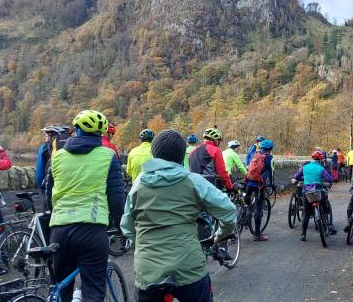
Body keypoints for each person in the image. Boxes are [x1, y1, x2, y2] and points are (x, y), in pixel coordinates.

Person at [121, 129, 236, 302]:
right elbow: (228, 211)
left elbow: (127, 227)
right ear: (182, 154)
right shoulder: (194, 181)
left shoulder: (139, 184)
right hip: (189, 266)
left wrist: (144, 244)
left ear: (154, 153)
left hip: (148, 269)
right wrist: (220, 235)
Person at [49, 110, 126, 301]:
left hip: (59, 228)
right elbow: (116, 198)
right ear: (101, 133)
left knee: (61, 289)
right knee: (93, 289)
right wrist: (122, 226)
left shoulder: (57, 157)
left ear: (75, 130)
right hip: (91, 229)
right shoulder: (108, 156)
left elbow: (48, 195)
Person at [292, 151, 337, 241]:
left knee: (306, 214)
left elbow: (296, 176)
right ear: (320, 160)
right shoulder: (320, 168)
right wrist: (330, 181)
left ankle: (303, 234)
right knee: (325, 207)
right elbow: (329, 178)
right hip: (318, 192)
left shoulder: (305, 167)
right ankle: (329, 224)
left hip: (307, 193)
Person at [36, 124, 73, 210]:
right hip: (70, 187)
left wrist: (41, 186)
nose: (45, 138)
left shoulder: (44, 148)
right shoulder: (72, 147)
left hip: (50, 187)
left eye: (46, 135)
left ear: (51, 136)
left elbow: (39, 173)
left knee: (48, 214)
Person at [244, 139, 274, 241]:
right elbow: (270, 172)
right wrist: (272, 184)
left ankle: (244, 213)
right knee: (258, 208)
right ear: (270, 149)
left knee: (246, 201)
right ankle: (257, 235)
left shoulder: (255, 155)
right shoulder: (269, 157)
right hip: (259, 185)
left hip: (249, 182)